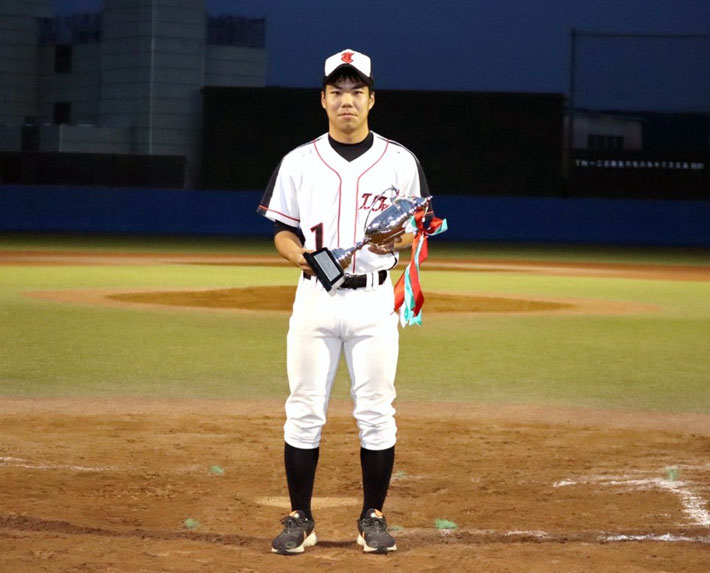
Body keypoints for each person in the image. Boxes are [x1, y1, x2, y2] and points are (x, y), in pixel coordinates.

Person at [257, 48, 431, 555]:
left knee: (377, 411)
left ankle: (372, 518)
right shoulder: (298, 161)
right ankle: (300, 519)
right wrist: (304, 259)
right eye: (337, 92)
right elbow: (282, 234)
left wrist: (392, 243)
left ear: (371, 100)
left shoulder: (399, 160)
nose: (347, 101)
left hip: (374, 301)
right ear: (323, 100)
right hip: (314, 298)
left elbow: (417, 230)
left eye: (356, 92)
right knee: (304, 410)